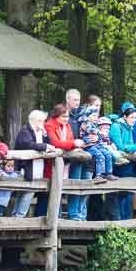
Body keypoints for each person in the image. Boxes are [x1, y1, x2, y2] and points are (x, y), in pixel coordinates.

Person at [44, 104, 85, 219]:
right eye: (63, 117)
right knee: (56, 188)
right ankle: (57, 216)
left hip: (67, 160)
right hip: (53, 163)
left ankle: (73, 215)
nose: (66, 119)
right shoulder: (49, 125)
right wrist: (73, 144)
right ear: (56, 116)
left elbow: (70, 139)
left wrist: (74, 144)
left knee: (73, 185)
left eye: (67, 117)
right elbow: (55, 143)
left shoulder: (67, 125)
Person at [108, 103, 136, 220]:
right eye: (131, 117)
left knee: (128, 191)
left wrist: (135, 147)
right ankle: (117, 219)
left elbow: (129, 144)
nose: (134, 120)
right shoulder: (116, 126)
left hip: (127, 162)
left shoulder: (129, 127)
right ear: (125, 116)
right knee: (116, 192)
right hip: (117, 164)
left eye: (135, 118)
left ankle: (126, 218)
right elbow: (120, 146)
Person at [13, 110, 53, 217]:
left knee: (25, 193)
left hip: (37, 168)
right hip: (27, 169)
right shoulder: (25, 131)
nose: (43, 123)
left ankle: (17, 217)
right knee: (27, 193)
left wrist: (45, 134)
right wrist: (44, 147)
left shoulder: (39, 132)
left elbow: (50, 143)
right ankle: (19, 217)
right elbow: (28, 144)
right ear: (36, 120)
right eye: (42, 121)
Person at [62, 90, 92, 221]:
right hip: (70, 155)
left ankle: (81, 214)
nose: (77, 102)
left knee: (85, 184)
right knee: (74, 183)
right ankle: (73, 214)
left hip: (85, 153)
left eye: (78, 100)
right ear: (67, 100)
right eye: (74, 100)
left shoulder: (82, 115)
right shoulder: (63, 115)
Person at [80, 100, 118, 181]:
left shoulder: (95, 124)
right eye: (93, 115)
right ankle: (99, 175)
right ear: (88, 116)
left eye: (97, 115)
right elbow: (90, 130)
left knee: (107, 154)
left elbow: (100, 137)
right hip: (89, 146)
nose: (96, 117)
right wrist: (100, 132)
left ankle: (108, 173)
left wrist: (100, 136)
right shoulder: (85, 123)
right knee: (100, 156)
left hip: (97, 144)